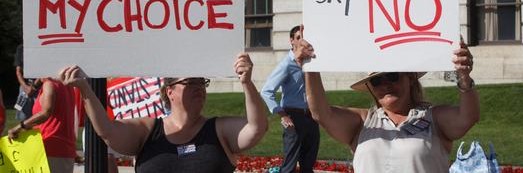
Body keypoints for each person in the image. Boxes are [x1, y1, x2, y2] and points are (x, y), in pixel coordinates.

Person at [292, 26, 480, 172]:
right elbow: (321, 113)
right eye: (376, 80)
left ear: (410, 78)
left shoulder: (434, 118)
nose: (385, 85)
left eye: (392, 75)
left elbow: (467, 117)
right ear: (371, 88)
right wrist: (310, 65)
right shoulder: (362, 122)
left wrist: (464, 76)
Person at [59, 52, 268, 173]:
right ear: (170, 92)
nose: (198, 87)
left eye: (201, 82)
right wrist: (85, 90)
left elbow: (257, 128)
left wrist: (247, 83)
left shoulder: (219, 130)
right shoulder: (148, 130)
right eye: (189, 82)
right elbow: (107, 131)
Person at [261, 25, 320, 173]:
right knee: (290, 164)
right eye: (298, 38)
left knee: (308, 163)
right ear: (291, 41)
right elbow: (266, 91)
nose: (302, 41)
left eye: (304, 38)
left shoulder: (311, 63)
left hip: (311, 117)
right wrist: (283, 114)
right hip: (293, 117)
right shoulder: (286, 64)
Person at [8, 77, 77, 173]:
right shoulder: (67, 85)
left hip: (50, 147)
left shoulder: (49, 84)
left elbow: (46, 112)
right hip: (66, 149)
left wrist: (20, 127)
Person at [14, 44, 40, 120]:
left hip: (40, 86)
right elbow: (18, 71)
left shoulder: (42, 48)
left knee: (39, 115)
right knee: (22, 115)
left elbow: (45, 71)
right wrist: (25, 87)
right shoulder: (21, 48)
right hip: (24, 86)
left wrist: (34, 86)